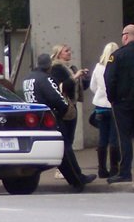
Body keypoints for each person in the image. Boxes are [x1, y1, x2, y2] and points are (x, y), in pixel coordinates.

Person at [22, 54, 92, 191]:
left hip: (35, 119)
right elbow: (56, 98)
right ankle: (77, 179)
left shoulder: (27, 78)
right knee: (65, 148)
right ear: (49, 65)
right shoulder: (45, 79)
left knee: (58, 151)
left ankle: (75, 179)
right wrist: (64, 109)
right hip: (49, 118)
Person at [105, 24, 134, 183]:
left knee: (123, 137)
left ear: (125, 36)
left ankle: (125, 172)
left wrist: (112, 99)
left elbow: (110, 79)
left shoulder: (117, 56)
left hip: (122, 103)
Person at [49, 43, 96, 188]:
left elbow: (78, 87)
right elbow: (61, 87)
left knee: (69, 138)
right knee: (66, 140)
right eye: (66, 51)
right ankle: (65, 170)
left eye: (69, 50)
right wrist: (75, 76)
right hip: (64, 106)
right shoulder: (57, 68)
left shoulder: (70, 68)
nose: (69, 53)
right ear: (58, 54)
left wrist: (84, 78)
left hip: (72, 105)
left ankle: (68, 169)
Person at [89, 42, 120, 178]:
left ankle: (101, 169)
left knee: (102, 138)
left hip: (100, 106)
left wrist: (100, 94)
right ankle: (114, 168)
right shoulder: (118, 67)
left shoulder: (98, 67)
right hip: (114, 106)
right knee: (114, 138)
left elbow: (92, 86)